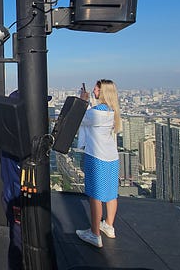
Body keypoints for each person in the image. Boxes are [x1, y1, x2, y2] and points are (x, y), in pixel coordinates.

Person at [75, 79, 121, 248]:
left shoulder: (97, 113)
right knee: (110, 193)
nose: (94, 89)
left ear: (103, 92)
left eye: (97, 87)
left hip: (97, 157)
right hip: (111, 157)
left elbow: (81, 117)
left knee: (95, 196)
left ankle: (94, 233)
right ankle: (108, 225)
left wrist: (82, 99)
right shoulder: (111, 111)